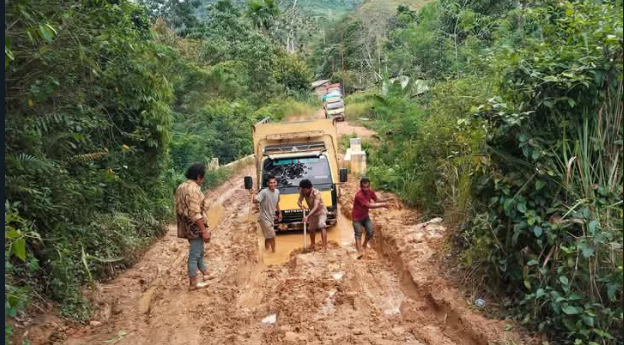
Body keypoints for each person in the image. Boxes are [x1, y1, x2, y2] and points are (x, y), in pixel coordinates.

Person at [175, 163, 211, 290]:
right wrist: (204, 230)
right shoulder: (193, 189)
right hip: (194, 224)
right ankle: (193, 283)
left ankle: (205, 273)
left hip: (185, 223)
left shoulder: (181, 187)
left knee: (199, 250)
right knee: (194, 254)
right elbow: (195, 213)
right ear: (199, 176)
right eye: (203, 177)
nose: (203, 180)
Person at [352, 177, 389, 259]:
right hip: (356, 218)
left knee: (370, 232)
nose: (366, 189)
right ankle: (359, 251)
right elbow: (370, 205)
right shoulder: (359, 195)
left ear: (369, 186)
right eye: (364, 187)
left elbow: (376, 200)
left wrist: (387, 200)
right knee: (358, 233)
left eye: (367, 186)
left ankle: (364, 244)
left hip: (365, 216)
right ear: (361, 187)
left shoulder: (370, 191)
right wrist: (384, 205)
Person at [253, 175, 282, 253]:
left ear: (276, 183)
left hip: (271, 217)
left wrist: (279, 213)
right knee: (272, 235)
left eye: (274, 182)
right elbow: (255, 201)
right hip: (264, 218)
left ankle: (266, 250)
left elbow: (276, 203)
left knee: (268, 236)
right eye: (270, 183)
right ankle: (274, 253)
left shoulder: (277, 192)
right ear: (267, 184)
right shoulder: (264, 192)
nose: (272, 184)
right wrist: (253, 196)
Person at [297, 179, 328, 252]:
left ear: (310, 188)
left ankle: (324, 247)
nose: (303, 191)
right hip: (312, 212)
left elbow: (316, 206)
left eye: (304, 189)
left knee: (321, 225)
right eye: (302, 189)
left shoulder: (316, 193)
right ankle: (312, 244)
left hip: (321, 211)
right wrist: (300, 205)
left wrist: (307, 216)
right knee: (311, 229)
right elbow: (299, 201)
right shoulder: (302, 191)